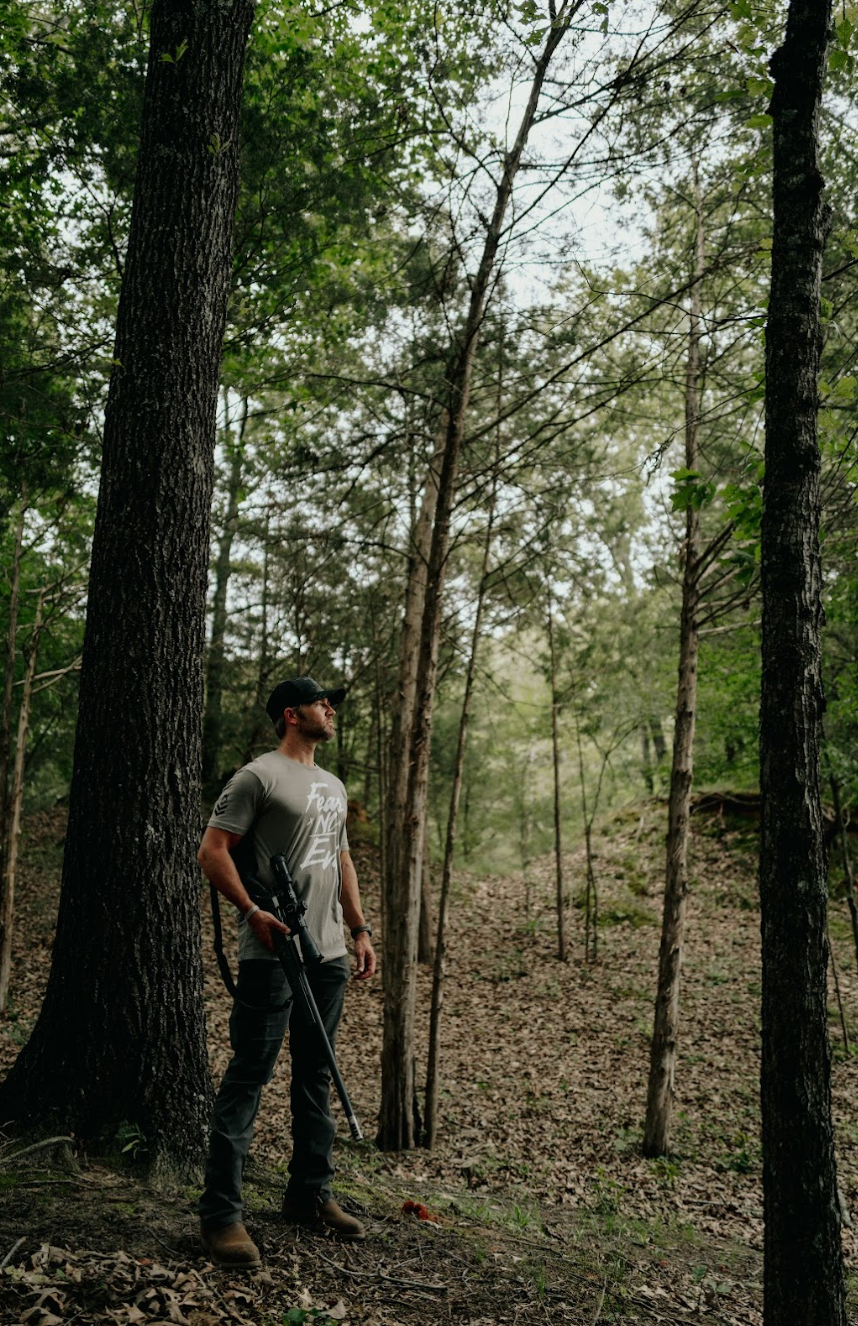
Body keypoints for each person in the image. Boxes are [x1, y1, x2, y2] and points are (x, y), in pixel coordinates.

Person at [198, 677, 376, 1267]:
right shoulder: (258, 776)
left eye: (330, 703)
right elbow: (213, 850)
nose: (330, 709)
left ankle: (309, 1194)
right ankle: (222, 1215)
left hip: (328, 953)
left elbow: (342, 856)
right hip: (273, 953)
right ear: (290, 714)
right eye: (321, 702)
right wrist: (253, 913)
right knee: (250, 1075)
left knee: (315, 1074)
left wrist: (358, 929)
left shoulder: (332, 784)